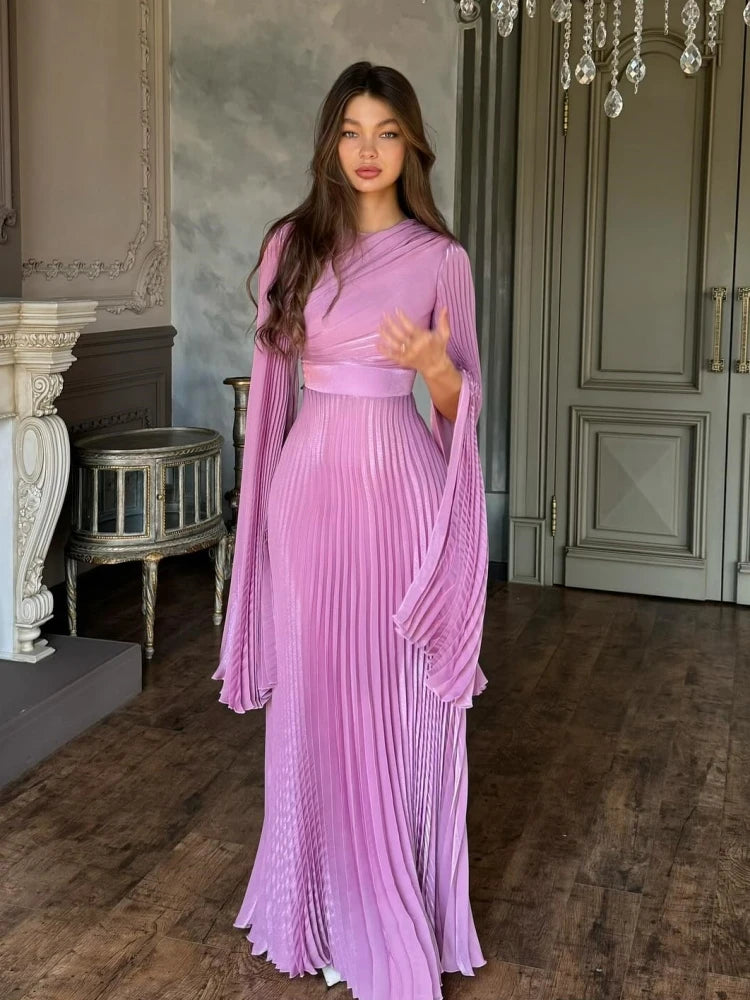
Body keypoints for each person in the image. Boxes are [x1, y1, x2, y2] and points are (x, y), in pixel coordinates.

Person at [212, 60, 489, 1000]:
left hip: (401, 495)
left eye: (387, 133)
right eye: (351, 132)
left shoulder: (438, 259)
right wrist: (257, 522)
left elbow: (462, 407)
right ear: (330, 143)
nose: (368, 150)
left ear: (412, 145)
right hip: (308, 494)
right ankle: (317, 907)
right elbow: (271, 399)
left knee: (394, 702)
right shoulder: (290, 246)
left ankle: (390, 902)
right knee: (318, 700)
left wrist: (435, 367)